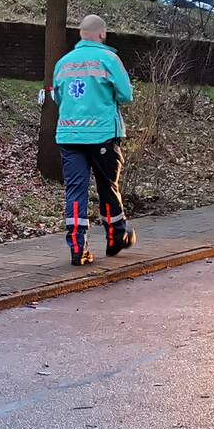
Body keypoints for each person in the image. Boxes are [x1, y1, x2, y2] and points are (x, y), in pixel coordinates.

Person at [52, 14, 137, 266]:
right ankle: (116, 237)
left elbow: (58, 97)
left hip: (69, 136)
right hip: (102, 135)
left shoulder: (63, 63)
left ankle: (78, 248)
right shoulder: (109, 59)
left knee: (75, 191)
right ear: (102, 34)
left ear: (81, 34)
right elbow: (126, 95)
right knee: (106, 186)